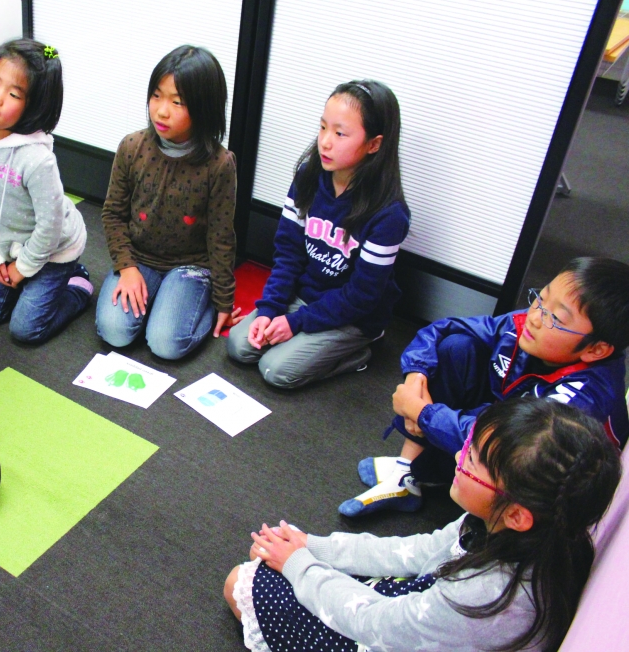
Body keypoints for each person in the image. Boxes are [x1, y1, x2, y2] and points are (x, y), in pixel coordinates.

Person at [224, 397, 622, 652]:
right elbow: (415, 549)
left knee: (241, 581)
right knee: (275, 568)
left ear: (518, 514)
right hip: (423, 615)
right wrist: (315, 546)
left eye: (472, 460)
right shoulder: (526, 529)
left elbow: (373, 622)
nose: (457, 460)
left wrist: (298, 564)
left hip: (400, 629)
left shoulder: (483, 597)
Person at [341, 257, 629, 517]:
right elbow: (445, 328)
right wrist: (415, 376)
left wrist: (422, 412)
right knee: (456, 348)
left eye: (555, 318)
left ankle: (438, 485)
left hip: (536, 473)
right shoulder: (528, 324)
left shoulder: (585, 396)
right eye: (541, 297)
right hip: (504, 415)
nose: (535, 316)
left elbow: (512, 443)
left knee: (491, 443)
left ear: (597, 349)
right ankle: (408, 474)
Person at [227, 80, 410, 388]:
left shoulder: (389, 214)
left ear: (374, 144)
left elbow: (361, 296)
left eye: (340, 133)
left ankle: (357, 353)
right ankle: (299, 335)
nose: (325, 142)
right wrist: (271, 308)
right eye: (323, 128)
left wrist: (295, 323)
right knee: (239, 346)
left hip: (352, 316)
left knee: (276, 370)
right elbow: (288, 252)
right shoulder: (308, 176)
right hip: (304, 296)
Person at [95, 45, 239, 360]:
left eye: (177, 102)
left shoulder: (219, 163)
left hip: (190, 266)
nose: (161, 110)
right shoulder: (132, 147)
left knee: (166, 344)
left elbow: (221, 235)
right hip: (139, 259)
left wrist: (224, 302)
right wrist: (127, 268)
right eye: (156, 96)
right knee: (114, 331)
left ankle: (189, 306)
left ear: (204, 108)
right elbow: (113, 215)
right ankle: (157, 300)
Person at [0, 39, 91, 344]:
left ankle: (78, 283)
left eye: (13, 94)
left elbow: (50, 226)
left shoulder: (36, 158)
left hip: (54, 248)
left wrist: (24, 268)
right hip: (6, 243)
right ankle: (29, 281)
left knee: (26, 330)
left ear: (33, 106)